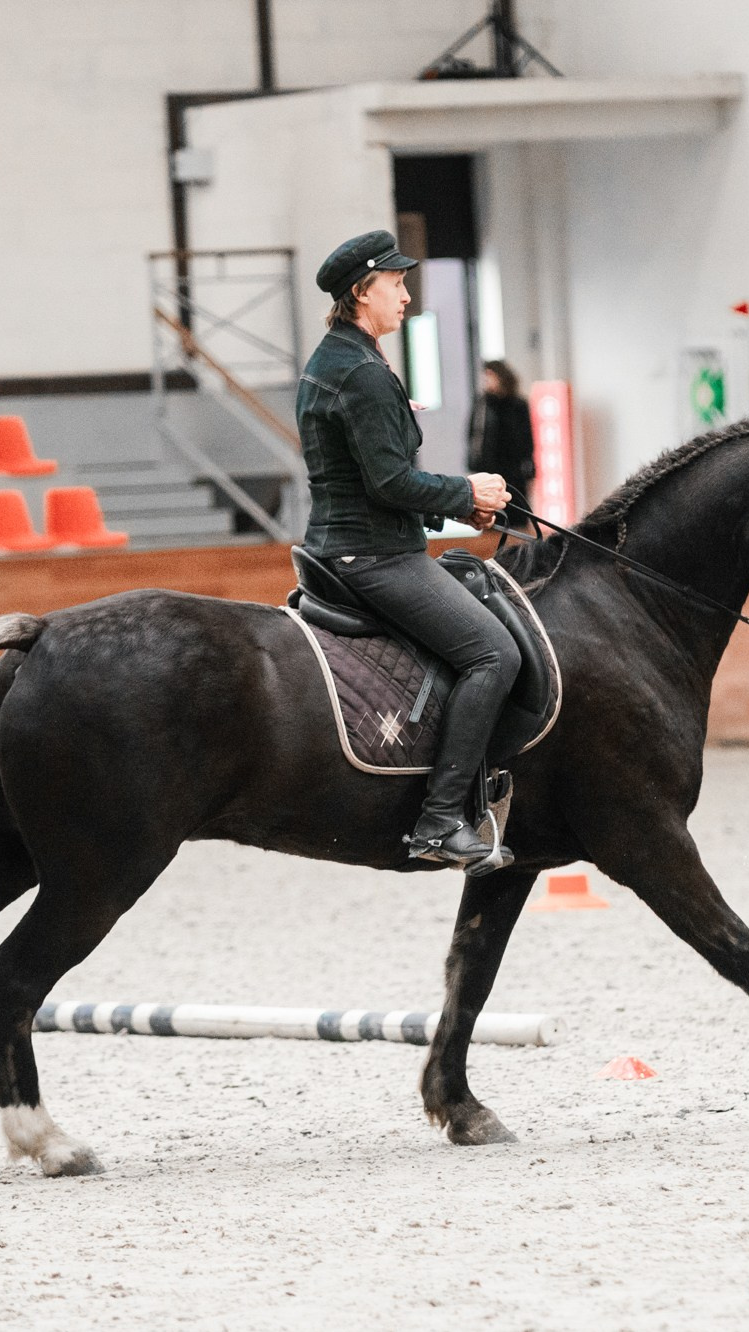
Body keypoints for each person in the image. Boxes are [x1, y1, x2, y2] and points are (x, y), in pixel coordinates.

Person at [296, 230, 520, 871]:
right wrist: (465, 489)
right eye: (395, 284)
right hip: (373, 554)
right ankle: (441, 819)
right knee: (492, 652)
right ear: (363, 292)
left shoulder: (340, 359)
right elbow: (389, 482)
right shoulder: (362, 373)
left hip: (354, 541)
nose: (406, 294)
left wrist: (458, 505)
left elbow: (371, 477)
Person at [468, 360, 535, 508]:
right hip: (489, 467)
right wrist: (473, 461)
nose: (487, 381)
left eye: (491, 376)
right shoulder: (482, 404)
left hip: (514, 469)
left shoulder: (518, 404)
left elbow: (526, 438)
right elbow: (473, 435)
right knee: (493, 513)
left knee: (517, 510)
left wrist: (530, 466)